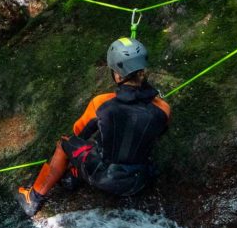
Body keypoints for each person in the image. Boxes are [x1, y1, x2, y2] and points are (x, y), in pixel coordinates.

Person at [16, 37, 171, 216]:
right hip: (140, 180)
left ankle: (34, 197)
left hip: (105, 178)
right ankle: (73, 177)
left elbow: (78, 134)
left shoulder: (102, 104)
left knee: (65, 144)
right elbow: (157, 132)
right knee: (107, 143)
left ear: (118, 75)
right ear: (143, 70)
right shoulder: (163, 108)